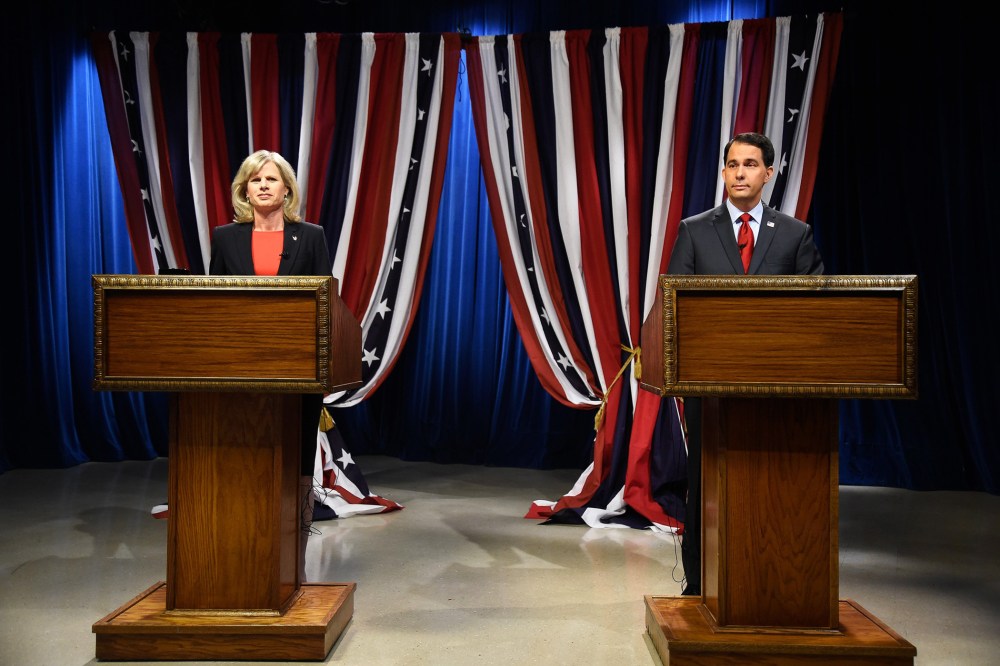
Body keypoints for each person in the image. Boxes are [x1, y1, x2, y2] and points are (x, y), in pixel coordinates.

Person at [667, 132, 824, 596]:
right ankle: (699, 583)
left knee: (769, 483)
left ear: (768, 173)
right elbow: (674, 306)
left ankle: (769, 582)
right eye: (733, 164)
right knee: (705, 482)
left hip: (775, 391)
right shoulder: (694, 230)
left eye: (750, 164)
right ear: (723, 172)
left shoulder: (795, 234)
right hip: (708, 386)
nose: (740, 173)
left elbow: (815, 310)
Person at [209, 149, 332, 579]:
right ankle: (244, 548)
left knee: (296, 457)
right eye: (255, 179)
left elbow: (325, 302)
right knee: (245, 454)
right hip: (240, 369)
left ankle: (296, 554)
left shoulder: (311, 236)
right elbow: (214, 305)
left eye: (271, 179)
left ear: (287, 189)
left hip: (297, 367)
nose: (263, 185)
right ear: (245, 190)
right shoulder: (225, 238)